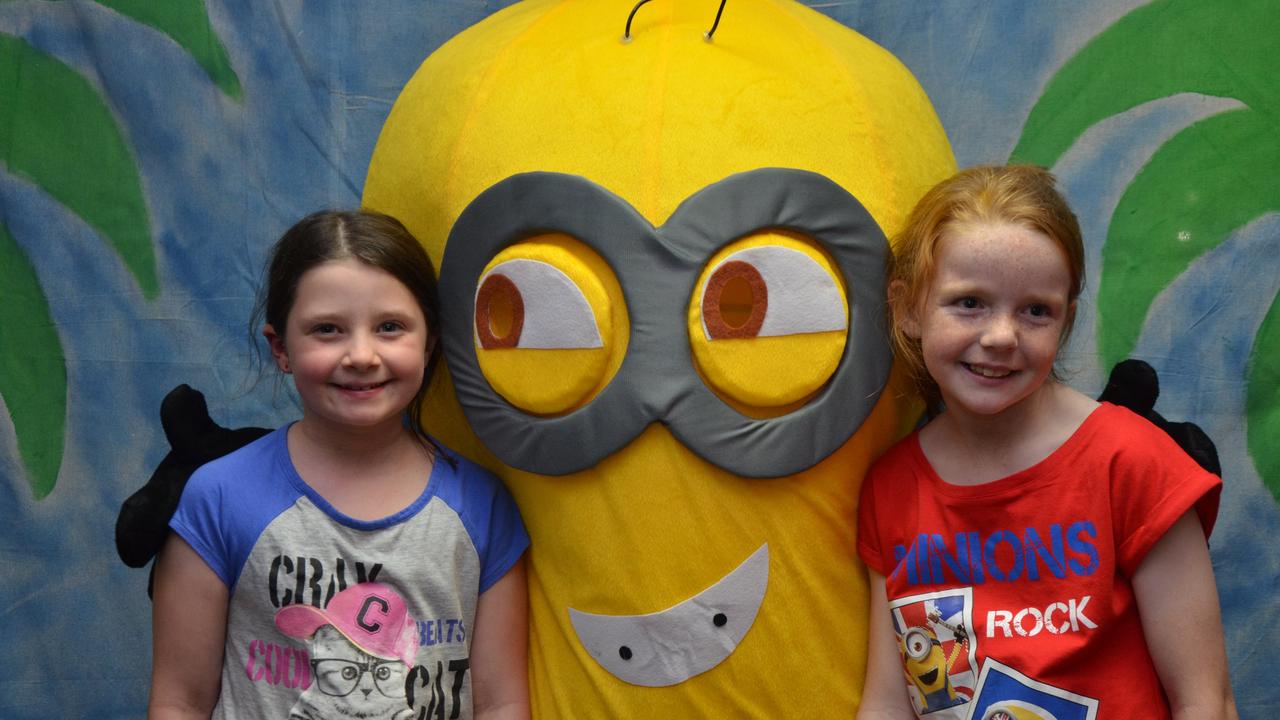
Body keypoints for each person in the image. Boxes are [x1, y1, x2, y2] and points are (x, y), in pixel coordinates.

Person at [855, 166, 1236, 720]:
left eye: (1036, 311)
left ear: (1066, 321)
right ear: (909, 308)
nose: (1002, 336)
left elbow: (1207, 702)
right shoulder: (889, 489)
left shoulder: (1132, 461)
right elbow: (888, 704)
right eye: (969, 303)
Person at [148, 210, 530, 720]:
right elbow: (180, 701)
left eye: (390, 327)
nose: (362, 354)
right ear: (281, 347)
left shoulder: (481, 505)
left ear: (430, 341)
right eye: (327, 329)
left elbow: (501, 702)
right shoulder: (218, 496)